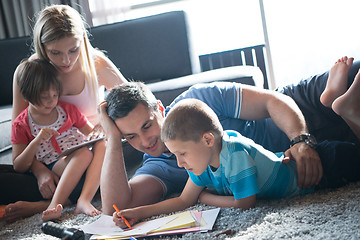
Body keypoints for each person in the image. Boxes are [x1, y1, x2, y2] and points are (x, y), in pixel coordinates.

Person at [99, 56, 360, 217]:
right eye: (130, 137)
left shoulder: (197, 99)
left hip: (302, 110)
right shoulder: (160, 166)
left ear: (160, 108)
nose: (145, 142)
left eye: (147, 126)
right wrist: (112, 141)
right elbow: (114, 210)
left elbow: (274, 101)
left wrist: (300, 140)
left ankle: (335, 102)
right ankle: (346, 112)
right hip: (298, 164)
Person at [112, 98, 360, 227]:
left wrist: (204, 198)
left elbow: (245, 204)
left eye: (182, 154)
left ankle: (347, 111)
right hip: (314, 179)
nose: (179, 163)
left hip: (323, 168)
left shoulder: (235, 153)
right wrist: (136, 214)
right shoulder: (200, 163)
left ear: (208, 139)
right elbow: (182, 200)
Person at [2, 4, 127, 222]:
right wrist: (40, 171)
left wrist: (106, 123)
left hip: (94, 156)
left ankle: (48, 204)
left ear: (83, 42)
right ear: (42, 47)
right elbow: (20, 137)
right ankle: (61, 198)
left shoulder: (95, 63)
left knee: (109, 155)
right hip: (47, 161)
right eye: (55, 53)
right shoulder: (29, 73)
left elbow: (134, 101)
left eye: (73, 50)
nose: (66, 61)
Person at [12, 59, 102, 221]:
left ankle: (78, 199)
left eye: (55, 95)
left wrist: (103, 129)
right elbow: (18, 165)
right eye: (44, 97)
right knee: (84, 154)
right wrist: (35, 142)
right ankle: (55, 204)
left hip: (84, 160)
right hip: (58, 165)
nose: (51, 101)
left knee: (100, 146)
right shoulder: (21, 124)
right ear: (28, 95)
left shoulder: (67, 110)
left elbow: (92, 134)